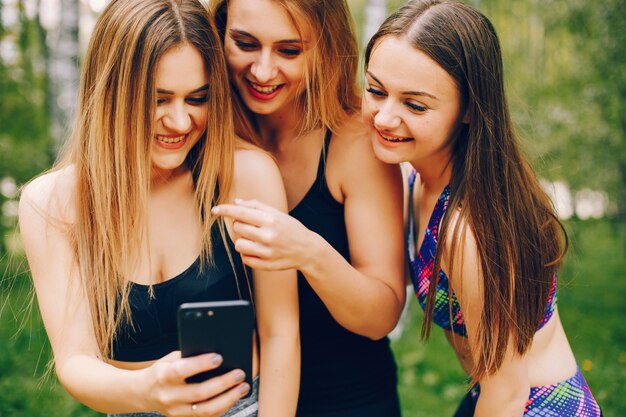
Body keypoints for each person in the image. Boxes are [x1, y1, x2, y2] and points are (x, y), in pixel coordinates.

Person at [18, 0, 300, 416]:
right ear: (111, 92)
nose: (181, 122)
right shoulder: (52, 203)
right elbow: (75, 361)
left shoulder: (247, 176)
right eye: (159, 99)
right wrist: (145, 390)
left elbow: (281, 334)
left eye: (198, 99)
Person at [362, 0, 602, 416]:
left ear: (471, 108)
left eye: (414, 105)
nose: (384, 116)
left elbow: (508, 392)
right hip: (491, 394)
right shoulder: (422, 178)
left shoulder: (468, 229)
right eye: (376, 90)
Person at [208, 0, 405, 416]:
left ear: (327, 47)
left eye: (289, 51)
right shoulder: (200, 128)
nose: (262, 71)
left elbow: (381, 314)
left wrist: (309, 252)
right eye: (244, 43)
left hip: (346, 400)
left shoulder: (354, 144)